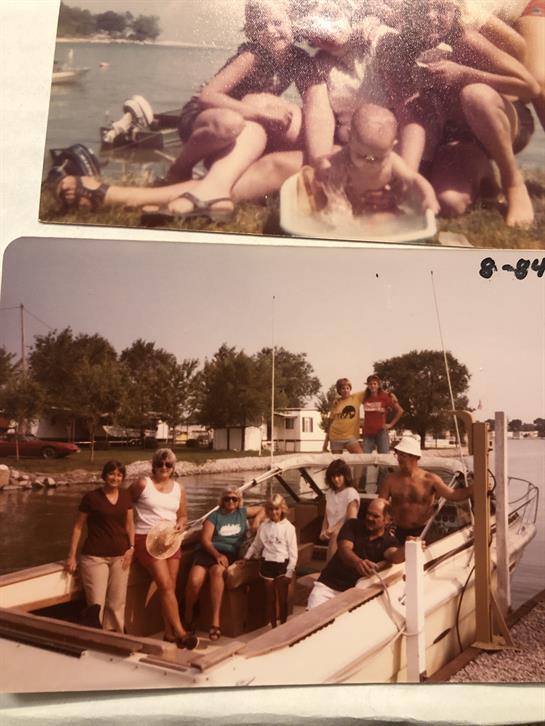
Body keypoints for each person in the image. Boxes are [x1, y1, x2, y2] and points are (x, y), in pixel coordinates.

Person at [389, 0, 540, 227]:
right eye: (423, 9)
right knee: (450, 203)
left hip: (500, 120)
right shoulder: (403, 47)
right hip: (458, 138)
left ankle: (513, 182)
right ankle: (483, 174)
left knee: (475, 95)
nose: (431, 16)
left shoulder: (466, 40)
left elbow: (530, 87)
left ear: (455, 9)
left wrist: (463, 74)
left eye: (440, 8)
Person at [311, 104, 439, 218]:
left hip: (378, 209)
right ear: (349, 138)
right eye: (362, 155)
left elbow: (414, 179)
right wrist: (323, 168)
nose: (369, 161)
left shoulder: (392, 161)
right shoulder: (343, 157)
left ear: (392, 147)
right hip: (347, 208)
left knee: (385, 221)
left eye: (378, 158)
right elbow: (321, 162)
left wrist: (429, 197)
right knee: (331, 217)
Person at [130, 448, 198, 650]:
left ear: (173, 468)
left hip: (170, 540)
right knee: (166, 585)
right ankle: (181, 633)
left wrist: (181, 524)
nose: (163, 468)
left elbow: (183, 516)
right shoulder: (143, 484)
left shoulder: (179, 489)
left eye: (168, 464)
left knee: (170, 586)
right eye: (160, 464)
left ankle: (168, 633)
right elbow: (124, 505)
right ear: (153, 466)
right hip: (146, 539)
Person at [184, 486, 264, 642]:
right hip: (209, 552)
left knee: (217, 572)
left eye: (234, 498)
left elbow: (264, 508)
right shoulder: (214, 516)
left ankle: (215, 622)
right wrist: (217, 554)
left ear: (239, 500)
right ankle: (188, 614)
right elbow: (205, 540)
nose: (231, 501)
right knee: (195, 581)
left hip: (229, 554)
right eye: (227, 498)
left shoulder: (242, 513)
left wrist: (256, 521)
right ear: (222, 500)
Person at [65, 460, 134, 633]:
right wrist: (72, 556)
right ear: (104, 475)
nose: (115, 478)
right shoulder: (91, 498)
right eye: (111, 473)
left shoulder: (126, 496)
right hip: (94, 557)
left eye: (119, 475)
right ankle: (96, 639)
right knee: (96, 605)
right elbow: (78, 527)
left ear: (123, 477)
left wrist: (132, 548)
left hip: (120, 557)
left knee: (117, 603)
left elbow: (130, 525)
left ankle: (116, 638)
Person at [307, 497, 404, 609]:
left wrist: (410, 546)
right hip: (327, 586)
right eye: (368, 513)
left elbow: (394, 556)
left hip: (354, 593)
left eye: (375, 516)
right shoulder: (352, 525)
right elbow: (345, 549)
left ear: (388, 520)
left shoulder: (390, 541)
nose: (369, 518)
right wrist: (358, 562)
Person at [379, 435, 473, 543]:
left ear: (414, 457)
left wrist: (474, 489)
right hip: (396, 531)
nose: (399, 458)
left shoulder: (430, 479)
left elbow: (453, 495)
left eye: (403, 455)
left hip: (422, 532)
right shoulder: (391, 479)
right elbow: (380, 504)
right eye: (398, 454)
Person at [243, 493, 298, 628]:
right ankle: (273, 626)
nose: (274, 512)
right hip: (267, 564)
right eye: (271, 509)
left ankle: (283, 625)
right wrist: (245, 558)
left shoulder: (289, 527)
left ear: (282, 509)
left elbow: (293, 553)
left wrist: (289, 572)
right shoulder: (264, 526)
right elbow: (256, 544)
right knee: (270, 599)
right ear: (267, 510)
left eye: (277, 509)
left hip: (282, 565)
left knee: (282, 599)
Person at [319, 459, 360, 561]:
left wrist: (333, 530)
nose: (336, 479)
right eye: (333, 476)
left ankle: (328, 569)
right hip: (331, 533)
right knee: (334, 535)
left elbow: (351, 520)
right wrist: (323, 530)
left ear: (345, 476)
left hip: (346, 533)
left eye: (339, 476)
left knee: (336, 535)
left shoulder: (351, 493)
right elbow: (326, 516)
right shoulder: (329, 493)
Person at [362, 374, 404, 455]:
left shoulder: (385, 396)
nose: (372, 386)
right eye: (370, 384)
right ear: (367, 385)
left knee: (384, 459)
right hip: (367, 432)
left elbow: (400, 410)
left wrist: (391, 424)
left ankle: (383, 468)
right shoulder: (364, 397)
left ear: (378, 385)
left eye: (374, 383)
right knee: (364, 459)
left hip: (381, 432)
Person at [322, 378, 364, 454]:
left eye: (347, 388)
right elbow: (330, 423)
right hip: (335, 437)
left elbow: (371, 389)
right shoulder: (336, 403)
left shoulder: (356, 398)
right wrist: (325, 443)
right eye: (343, 388)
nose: (345, 390)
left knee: (361, 458)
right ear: (339, 391)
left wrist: (389, 394)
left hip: (350, 437)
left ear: (350, 389)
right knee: (337, 463)